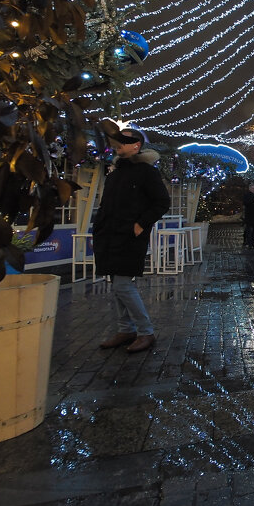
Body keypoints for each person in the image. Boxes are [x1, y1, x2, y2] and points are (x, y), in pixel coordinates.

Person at [94, 127, 171, 354]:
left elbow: (161, 202)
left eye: (122, 141)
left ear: (136, 145)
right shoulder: (116, 173)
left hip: (129, 236)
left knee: (122, 284)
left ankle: (145, 332)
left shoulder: (147, 172)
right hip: (108, 234)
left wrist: (140, 224)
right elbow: (106, 205)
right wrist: (99, 229)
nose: (118, 145)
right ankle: (125, 329)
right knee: (116, 285)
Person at [241, 183, 254, 248]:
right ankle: (249, 243)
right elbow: (245, 202)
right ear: (249, 188)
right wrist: (253, 201)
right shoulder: (246, 195)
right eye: (253, 188)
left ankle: (253, 243)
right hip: (249, 215)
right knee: (249, 230)